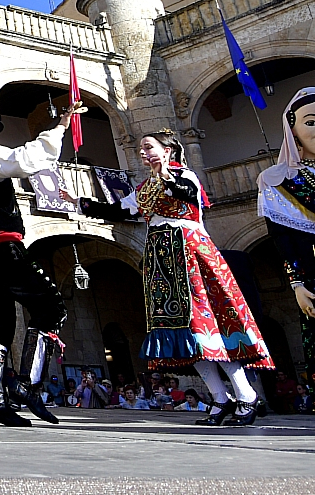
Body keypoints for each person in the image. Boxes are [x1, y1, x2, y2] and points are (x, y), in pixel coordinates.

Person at [81, 130, 273, 427]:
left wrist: (165, 175)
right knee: (183, 333)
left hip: (190, 254)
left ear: (167, 150)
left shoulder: (185, 176)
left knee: (207, 326)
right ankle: (220, 397)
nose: (143, 153)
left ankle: (246, 394)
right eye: (141, 149)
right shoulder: (145, 188)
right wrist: (79, 202)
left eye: (148, 147)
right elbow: (120, 210)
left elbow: (185, 193)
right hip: (162, 260)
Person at [0, 104, 83, 428]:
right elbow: (27, 159)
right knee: (51, 308)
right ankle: (28, 384)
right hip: (1, 247)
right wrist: (60, 127)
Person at [258, 87, 315, 374]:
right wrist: (297, 284)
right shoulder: (279, 181)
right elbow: (283, 238)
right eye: (311, 122)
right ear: (293, 131)